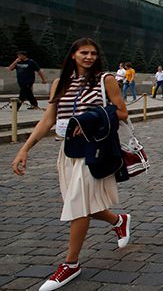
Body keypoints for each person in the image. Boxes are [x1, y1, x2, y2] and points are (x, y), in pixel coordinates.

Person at [11, 38, 131, 291]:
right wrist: (24, 149)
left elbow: (122, 112)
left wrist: (89, 119)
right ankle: (118, 221)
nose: (89, 57)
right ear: (73, 54)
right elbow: (47, 120)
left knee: (78, 205)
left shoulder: (104, 80)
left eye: (93, 53)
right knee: (79, 203)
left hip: (93, 150)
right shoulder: (60, 83)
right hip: (67, 152)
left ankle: (71, 263)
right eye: (83, 52)